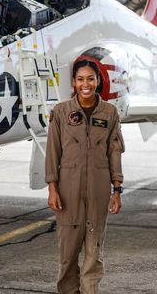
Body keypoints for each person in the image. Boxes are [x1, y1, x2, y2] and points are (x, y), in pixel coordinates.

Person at [45, 59, 125, 294]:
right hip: (68, 192)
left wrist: (117, 189)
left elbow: (115, 151)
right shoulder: (61, 112)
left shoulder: (110, 113)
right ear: (73, 82)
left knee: (93, 256)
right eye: (80, 79)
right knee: (68, 256)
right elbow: (52, 152)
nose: (85, 84)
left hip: (98, 191)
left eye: (90, 78)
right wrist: (52, 188)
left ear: (98, 81)